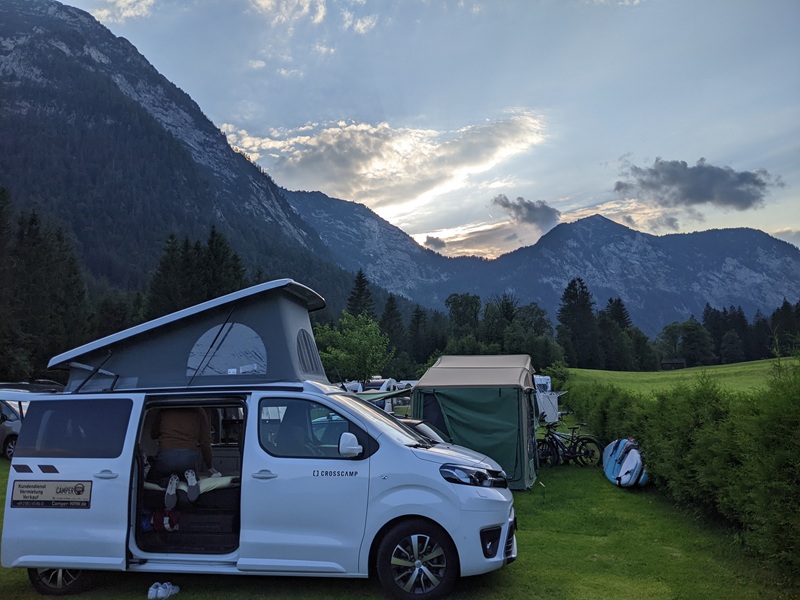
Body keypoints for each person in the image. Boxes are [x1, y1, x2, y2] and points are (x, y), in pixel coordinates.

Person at [149, 407, 216, 509]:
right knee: (185, 471)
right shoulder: (199, 411)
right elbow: (205, 442)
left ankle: (168, 482)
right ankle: (190, 479)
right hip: (189, 456)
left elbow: (153, 434)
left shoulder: (164, 409)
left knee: (153, 480)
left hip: (166, 455)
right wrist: (209, 466)